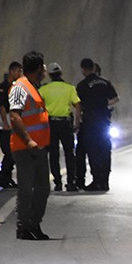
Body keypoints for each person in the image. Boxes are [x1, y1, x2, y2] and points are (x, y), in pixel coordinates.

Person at [9, 51, 52, 240]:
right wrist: (28, 140)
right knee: (26, 189)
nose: (45, 71)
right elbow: (14, 115)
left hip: (39, 148)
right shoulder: (20, 88)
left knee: (43, 188)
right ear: (38, 68)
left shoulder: (33, 87)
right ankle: (24, 227)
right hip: (26, 148)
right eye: (43, 67)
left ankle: (33, 224)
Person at [75, 58, 119, 191]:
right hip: (104, 121)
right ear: (94, 67)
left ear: (83, 69)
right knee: (105, 150)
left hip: (90, 122)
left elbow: (79, 105)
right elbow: (116, 98)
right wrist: (104, 105)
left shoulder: (82, 85)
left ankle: (96, 181)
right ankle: (105, 181)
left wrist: (77, 121)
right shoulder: (105, 82)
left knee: (93, 151)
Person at [38, 62, 81, 192]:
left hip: (50, 124)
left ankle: (57, 182)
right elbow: (78, 105)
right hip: (65, 123)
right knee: (69, 152)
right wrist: (77, 123)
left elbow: (38, 107)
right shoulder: (69, 88)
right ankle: (71, 182)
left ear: (49, 75)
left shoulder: (43, 89)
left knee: (53, 154)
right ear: (61, 73)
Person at [0, 62, 22, 188]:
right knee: (9, 152)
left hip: (13, 123)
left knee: (12, 152)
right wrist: (5, 123)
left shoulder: (16, 87)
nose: (20, 74)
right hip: (5, 123)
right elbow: (2, 106)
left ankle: (6, 178)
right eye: (18, 71)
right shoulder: (2, 87)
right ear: (13, 71)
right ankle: (2, 178)